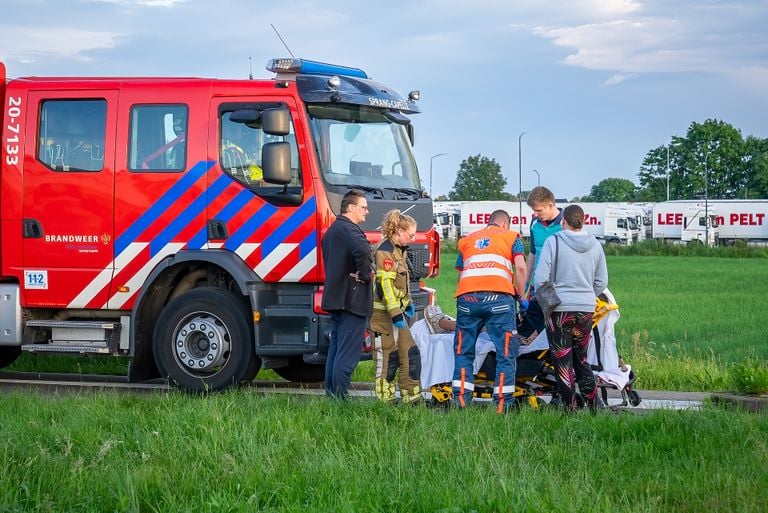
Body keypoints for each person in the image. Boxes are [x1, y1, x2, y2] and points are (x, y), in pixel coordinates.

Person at [533, 204, 608, 411]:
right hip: (585, 309)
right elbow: (602, 281)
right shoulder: (595, 245)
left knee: (562, 360)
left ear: (563, 220)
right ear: (583, 221)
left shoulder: (553, 242)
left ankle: (571, 408)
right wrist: (585, 295)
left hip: (559, 309)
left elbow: (540, 279)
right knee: (581, 358)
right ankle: (593, 404)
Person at [453, 209, 527, 412]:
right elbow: (520, 268)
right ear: (505, 224)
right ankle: (503, 407)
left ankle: (460, 403)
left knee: (463, 352)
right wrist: (521, 296)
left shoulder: (466, 240)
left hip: (467, 299)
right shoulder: (512, 237)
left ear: (489, 222)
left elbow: (461, 275)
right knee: (505, 354)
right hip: (500, 300)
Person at [320, 189, 373, 399]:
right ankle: (341, 399)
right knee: (348, 353)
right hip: (352, 299)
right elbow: (362, 250)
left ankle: (332, 395)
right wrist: (366, 274)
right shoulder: (351, 230)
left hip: (336, 298)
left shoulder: (333, 230)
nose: (367, 212)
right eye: (364, 207)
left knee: (335, 351)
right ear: (351, 208)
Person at [370, 210, 422, 404]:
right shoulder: (385, 251)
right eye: (410, 234)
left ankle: (412, 397)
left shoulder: (399, 250)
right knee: (387, 359)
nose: (413, 238)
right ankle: (386, 401)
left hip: (397, 315)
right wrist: (395, 313)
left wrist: (407, 303)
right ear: (399, 230)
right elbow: (384, 287)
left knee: (411, 353)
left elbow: (400, 285)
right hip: (383, 317)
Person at [520, 186, 564, 342]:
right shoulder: (534, 223)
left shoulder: (566, 224)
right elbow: (532, 253)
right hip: (538, 285)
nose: (535, 214)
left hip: (558, 286)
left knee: (554, 330)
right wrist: (524, 285)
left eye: (539, 210)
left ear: (550, 205)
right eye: (534, 210)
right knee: (528, 329)